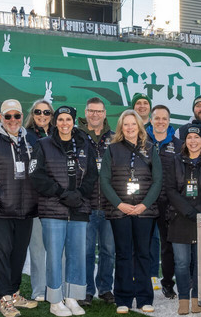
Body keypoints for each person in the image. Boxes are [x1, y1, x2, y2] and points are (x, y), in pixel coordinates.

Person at [29, 105, 97, 317]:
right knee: (55, 257)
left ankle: (72, 297)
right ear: (55, 122)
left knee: (77, 255)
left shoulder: (85, 143)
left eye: (68, 119)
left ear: (73, 121)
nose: (64, 123)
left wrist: (79, 195)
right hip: (53, 209)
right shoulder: (43, 144)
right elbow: (36, 175)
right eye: (60, 120)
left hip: (79, 208)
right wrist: (61, 193)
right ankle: (55, 300)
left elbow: (92, 175)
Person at [0, 99, 40, 317]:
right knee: (1, 254)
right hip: (0, 210)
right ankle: (4, 299)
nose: (13, 120)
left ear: (22, 117)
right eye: (8, 116)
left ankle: (14, 294)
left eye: (17, 116)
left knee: (19, 255)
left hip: (26, 210)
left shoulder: (31, 139)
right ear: (1, 118)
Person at [100, 110, 163, 314]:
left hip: (144, 211)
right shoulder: (112, 149)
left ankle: (145, 297)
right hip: (120, 211)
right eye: (125, 124)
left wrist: (144, 205)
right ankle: (123, 298)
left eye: (133, 124)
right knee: (124, 254)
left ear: (139, 126)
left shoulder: (151, 149)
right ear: (121, 127)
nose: (129, 128)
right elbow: (105, 181)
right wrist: (120, 204)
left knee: (143, 253)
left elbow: (158, 180)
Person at [164, 124, 201, 315]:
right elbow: (170, 189)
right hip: (180, 218)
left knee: (199, 262)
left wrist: (199, 210)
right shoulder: (175, 161)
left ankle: (197, 298)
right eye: (189, 138)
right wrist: (187, 210)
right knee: (181, 262)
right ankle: (183, 298)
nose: (193, 141)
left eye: (196, 138)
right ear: (184, 141)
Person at [80, 98, 116, 305]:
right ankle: (86, 290)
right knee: (85, 251)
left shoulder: (114, 138)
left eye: (99, 111)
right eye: (91, 111)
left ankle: (105, 288)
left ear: (104, 113)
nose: (95, 115)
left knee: (108, 250)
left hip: (110, 206)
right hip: (86, 205)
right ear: (86, 112)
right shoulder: (77, 136)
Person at [146, 105, 181, 299]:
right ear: (151, 120)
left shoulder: (178, 144)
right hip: (145, 202)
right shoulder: (141, 141)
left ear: (169, 121)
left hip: (168, 203)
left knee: (168, 246)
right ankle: (141, 282)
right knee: (142, 244)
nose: (160, 121)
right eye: (157, 118)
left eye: (164, 118)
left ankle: (168, 283)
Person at [23, 100, 53, 302]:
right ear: (32, 114)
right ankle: (39, 289)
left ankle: (55, 286)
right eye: (38, 111)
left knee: (58, 249)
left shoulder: (61, 134)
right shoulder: (24, 135)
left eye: (47, 112)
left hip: (56, 199)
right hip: (34, 199)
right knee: (36, 247)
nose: (42, 115)